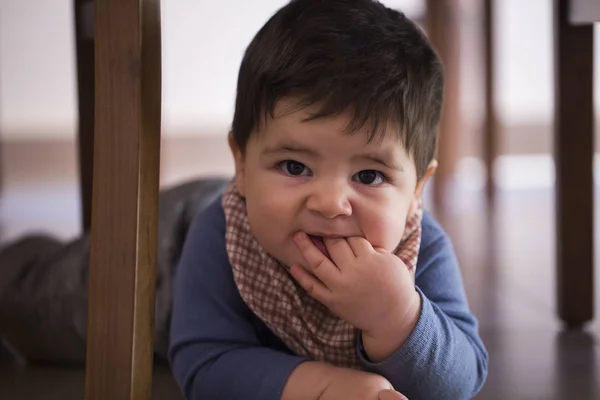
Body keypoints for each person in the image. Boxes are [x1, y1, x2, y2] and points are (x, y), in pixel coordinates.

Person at [168, 0, 488, 399]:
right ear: (243, 165)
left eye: (369, 176)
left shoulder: (422, 247)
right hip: (164, 239)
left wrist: (399, 317)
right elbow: (205, 363)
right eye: (294, 167)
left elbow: (463, 381)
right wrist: (322, 389)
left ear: (415, 193)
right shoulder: (222, 232)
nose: (330, 203)